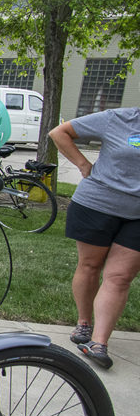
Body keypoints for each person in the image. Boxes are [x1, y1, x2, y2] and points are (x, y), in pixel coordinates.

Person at [49, 107, 140, 369]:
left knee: (121, 277)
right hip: (96, 205)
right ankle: (84, 323)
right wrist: (83, 165)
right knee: (90, 266)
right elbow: (60, 132)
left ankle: (99, 343)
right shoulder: (118, 119)